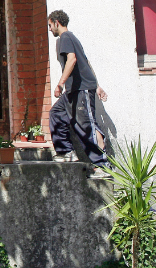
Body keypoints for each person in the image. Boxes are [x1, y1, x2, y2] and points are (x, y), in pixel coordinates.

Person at [47, 10, 111, 177]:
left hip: (81, 89)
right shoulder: (71, 38)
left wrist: (60, 83)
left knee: (86, 126)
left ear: (56, 22)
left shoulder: (66, 38)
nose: (49, 29)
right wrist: (97, 85)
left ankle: (102, 166)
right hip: (75, 89)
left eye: (49, 25)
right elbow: (86, 62)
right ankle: (66, 152)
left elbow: (73, 59)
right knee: (57, 113)